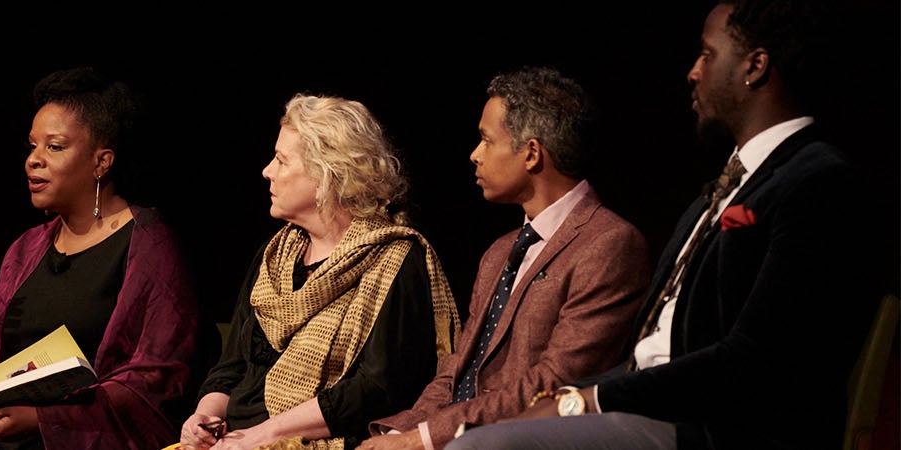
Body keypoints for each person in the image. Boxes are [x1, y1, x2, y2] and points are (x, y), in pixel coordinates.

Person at [447, 1, 879, 449]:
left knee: (477, 448)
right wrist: (568, 397)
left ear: (755, 66)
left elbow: (756, 358)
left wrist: (586, 400)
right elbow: (649, 352)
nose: (693, 72)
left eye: (708, 54)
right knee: (481, 436)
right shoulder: (718, 193)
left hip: (717, 429)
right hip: (652, 411)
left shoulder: (818, 182)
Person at [357, 67, 650, 450]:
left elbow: (554, 383)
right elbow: (456, 372)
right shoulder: (499, 252)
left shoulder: (609, 244)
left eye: (486, 140)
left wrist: (422, 440)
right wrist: (401, 434)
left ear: (531, 153)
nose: (475, 154)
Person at [0, 66, 199, 449]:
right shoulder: (26, 249)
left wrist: (45, 419)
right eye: (32, 146)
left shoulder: (148, 243)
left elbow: (157, 380)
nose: (33, 160)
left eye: (54, 147)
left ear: (101, 162)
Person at [179, 94, 461, 450]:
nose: (267, 171)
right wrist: (203, 417)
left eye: (281, 161)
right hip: (237, 439)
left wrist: (264, 435)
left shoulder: (394, 259)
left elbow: (376, 388)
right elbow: (233, 365)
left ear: (326, 174)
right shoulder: (275, 256)